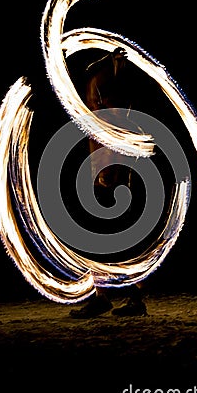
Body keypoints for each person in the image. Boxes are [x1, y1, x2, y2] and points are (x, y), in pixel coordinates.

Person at [70, 47, 147, 318]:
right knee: (97, 235)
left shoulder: (111, 87)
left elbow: (120, 127)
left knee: (122, 236)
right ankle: (103, 295)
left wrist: (111, 168)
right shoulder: (96, 79)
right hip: (101, 168)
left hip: (114, 170)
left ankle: (134, 297)